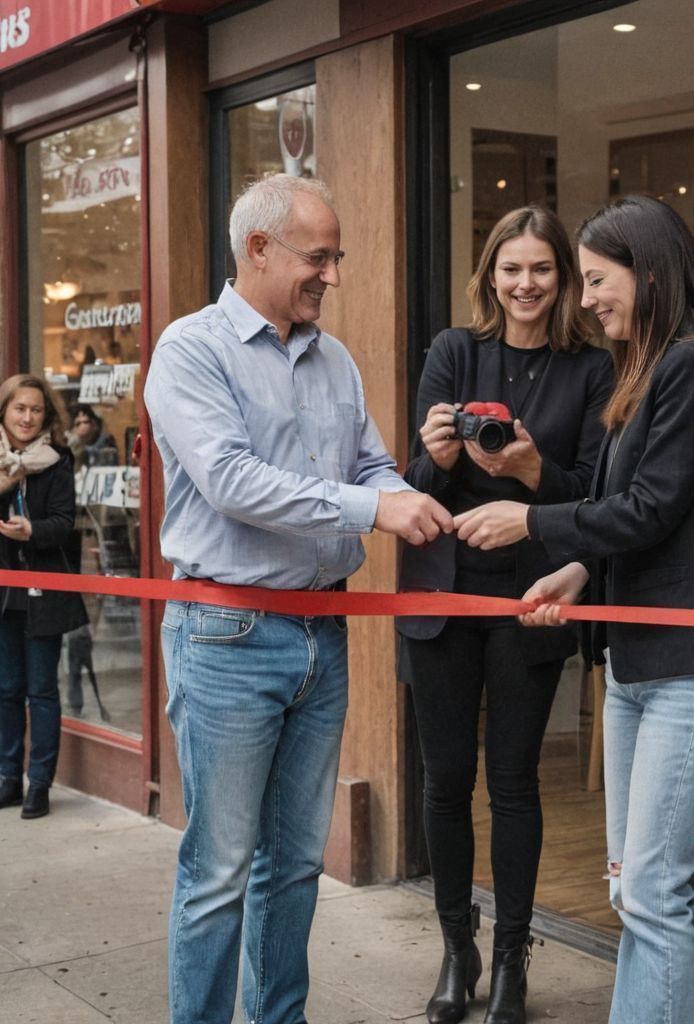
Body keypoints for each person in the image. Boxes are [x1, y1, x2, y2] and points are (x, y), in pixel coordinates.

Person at [454, 195, 694, 1024]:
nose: (586, 298)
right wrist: (581, 571)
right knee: (655, 888)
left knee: (651, 894)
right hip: (642, 661)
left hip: (692, 663)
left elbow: (649, 510)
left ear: (650, 271)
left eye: (597, 280)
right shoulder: (653, 368)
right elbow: (625, 507)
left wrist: (530, 521)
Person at [144, 174, 452, 1024]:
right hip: (227, 636)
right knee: (219, 868)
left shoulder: (336, 357)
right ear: (258, 250)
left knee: (293, 865)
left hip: (322, 633)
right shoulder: (189, 351)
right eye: (319, 258)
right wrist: (373, 507)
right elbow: (234, 481)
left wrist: (410, 497)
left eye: (337, 258)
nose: (333, 276)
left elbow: (367, 467)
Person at [398, 205, 613, 1024]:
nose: (526, 284)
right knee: (445, 780)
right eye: (511, 268)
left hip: (530, 597)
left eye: (543, 270)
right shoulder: (456, 351)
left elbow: (594, 497)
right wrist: (441, 456)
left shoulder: (591, 369)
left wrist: (529, 468)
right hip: (442, 594)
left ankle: (514, 959)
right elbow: (417, 481)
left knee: (516, 783)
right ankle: (458, 947)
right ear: (490, 273)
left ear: (563, 278)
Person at [0, 374, 88, 820]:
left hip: (43, 591)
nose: (27, 417)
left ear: (45, 415)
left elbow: (64, 522)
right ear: (5, 411)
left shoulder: (57, 460)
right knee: (6, 690)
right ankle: (8, 778)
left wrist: (32, 530)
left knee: (41, 691)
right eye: (20, 408)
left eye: (35, 409)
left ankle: (40, 785)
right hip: (4, 595)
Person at [68, 402, 119, 470]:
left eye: (85, 422)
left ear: (94, 424)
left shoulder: (106, 441)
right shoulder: (74, 446)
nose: (82, 427)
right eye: (78, 424)